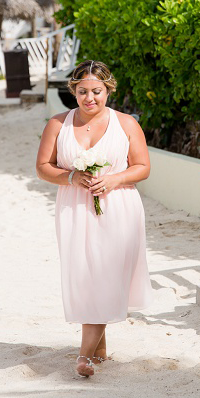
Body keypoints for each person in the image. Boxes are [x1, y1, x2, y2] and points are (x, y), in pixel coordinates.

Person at [36, 60, 153, 377]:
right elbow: (43, 167)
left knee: (103, 276)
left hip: (118, 207)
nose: (90, 98)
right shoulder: (57, 125)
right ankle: (99, 351)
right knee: (86, 276)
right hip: (74, 209)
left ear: (108, 90)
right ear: (73, 90)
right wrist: (71, 177)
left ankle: (84, 355)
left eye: (97, 91)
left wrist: (114, 179)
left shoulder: (126, 124)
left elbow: (142, 166)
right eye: (83, 91)